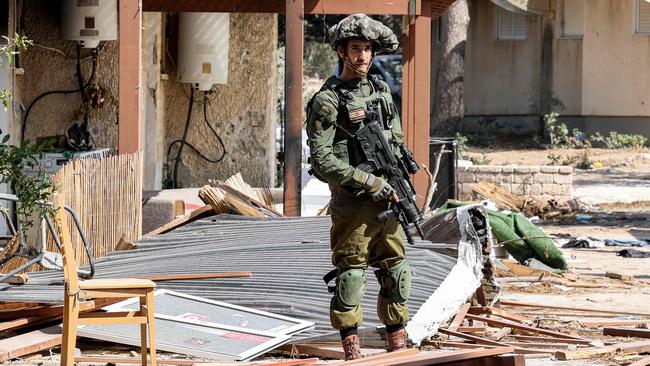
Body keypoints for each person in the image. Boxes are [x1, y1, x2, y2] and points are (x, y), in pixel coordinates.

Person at [306, 14, 412, 360]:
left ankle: (398, 345)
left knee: (396, 270)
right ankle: (352, 351)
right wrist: (369, 181)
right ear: (341, 51)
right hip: (354, 205)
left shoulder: (380, 92)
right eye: (356, 49)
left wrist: (396, 180)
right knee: (351, 274)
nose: (363, 56)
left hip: (388, 199)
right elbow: (322, 161)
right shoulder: (328, 100)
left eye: (368, 49)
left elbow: (394, 141)